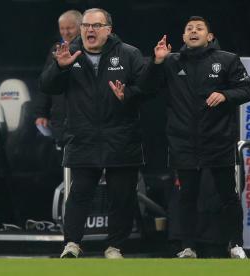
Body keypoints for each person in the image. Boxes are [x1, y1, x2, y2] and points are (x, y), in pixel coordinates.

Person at [139, 16, 250, 258]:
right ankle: (188, 247)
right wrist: (156, 62)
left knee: (227, 196)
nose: (193, 31)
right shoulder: (170, 62)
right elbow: (146, 89)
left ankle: (236, 244)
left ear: (209, 36)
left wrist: (225, 95)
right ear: (183, 37)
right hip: (183, 143)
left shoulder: (227, 59)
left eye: (199, 28)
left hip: (218, 140)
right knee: (186, 197)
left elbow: (247, 89)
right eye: (189, 29)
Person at [39, 8, 145, 259]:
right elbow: (46, 85)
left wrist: (127, 95)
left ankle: (115, 246)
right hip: (83, 137)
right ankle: (72, 244)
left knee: (122, 196)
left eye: (96, 26)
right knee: (78, 195)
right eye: (86, 25)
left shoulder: (129, 54)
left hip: (121, 137)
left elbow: (148, 89)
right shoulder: (66, 53)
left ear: (108, 30)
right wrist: (59, 67)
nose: (90, 30)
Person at [34, 10, 82, 145]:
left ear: (81, 27)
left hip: (86, 124)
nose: (65, 32)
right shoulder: (55, 50)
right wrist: (41, 113)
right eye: (62, 28)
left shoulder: (92, 50)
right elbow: (45, 83)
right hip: (61, 122)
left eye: (70, 28)